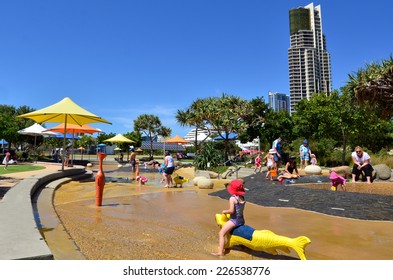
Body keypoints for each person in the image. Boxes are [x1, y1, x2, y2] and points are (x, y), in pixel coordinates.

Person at [212, 179, 246, 256]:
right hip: (241, 220)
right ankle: (243, 246)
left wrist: (225, 211)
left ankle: (220, 252)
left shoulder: (232, 198)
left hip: (234, 220)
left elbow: (231, 211)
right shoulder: (242, 198)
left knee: (221, 233)